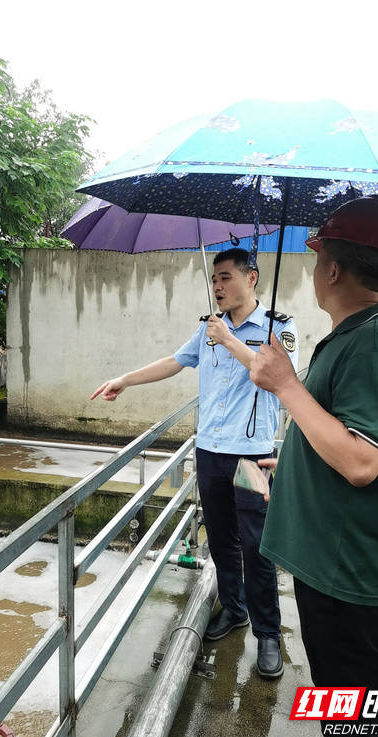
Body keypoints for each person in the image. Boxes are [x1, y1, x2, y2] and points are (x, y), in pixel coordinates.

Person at [250, 195, 378, 737]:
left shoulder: (374, 341)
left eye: (318, 254)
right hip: (336, 564)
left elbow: (363, 460)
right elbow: (341, 430)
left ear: (333, 267)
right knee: (340, 717)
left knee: (356, 728)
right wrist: (297, 461)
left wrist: (286, 384)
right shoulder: (358, 333)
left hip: (349, 577)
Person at [90, 247, 299, 679]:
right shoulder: (208, 328)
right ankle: (234, 610)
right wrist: (124, 380)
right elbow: (174, 361)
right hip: (210, 451)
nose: (217, 286)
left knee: (258, 545)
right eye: (214, 278)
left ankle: (268, 634)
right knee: (221, 539)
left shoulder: (278, 328)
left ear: (252, 277)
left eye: (225, 277)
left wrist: (229, 340)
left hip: (251, 456)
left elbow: (277, 378)